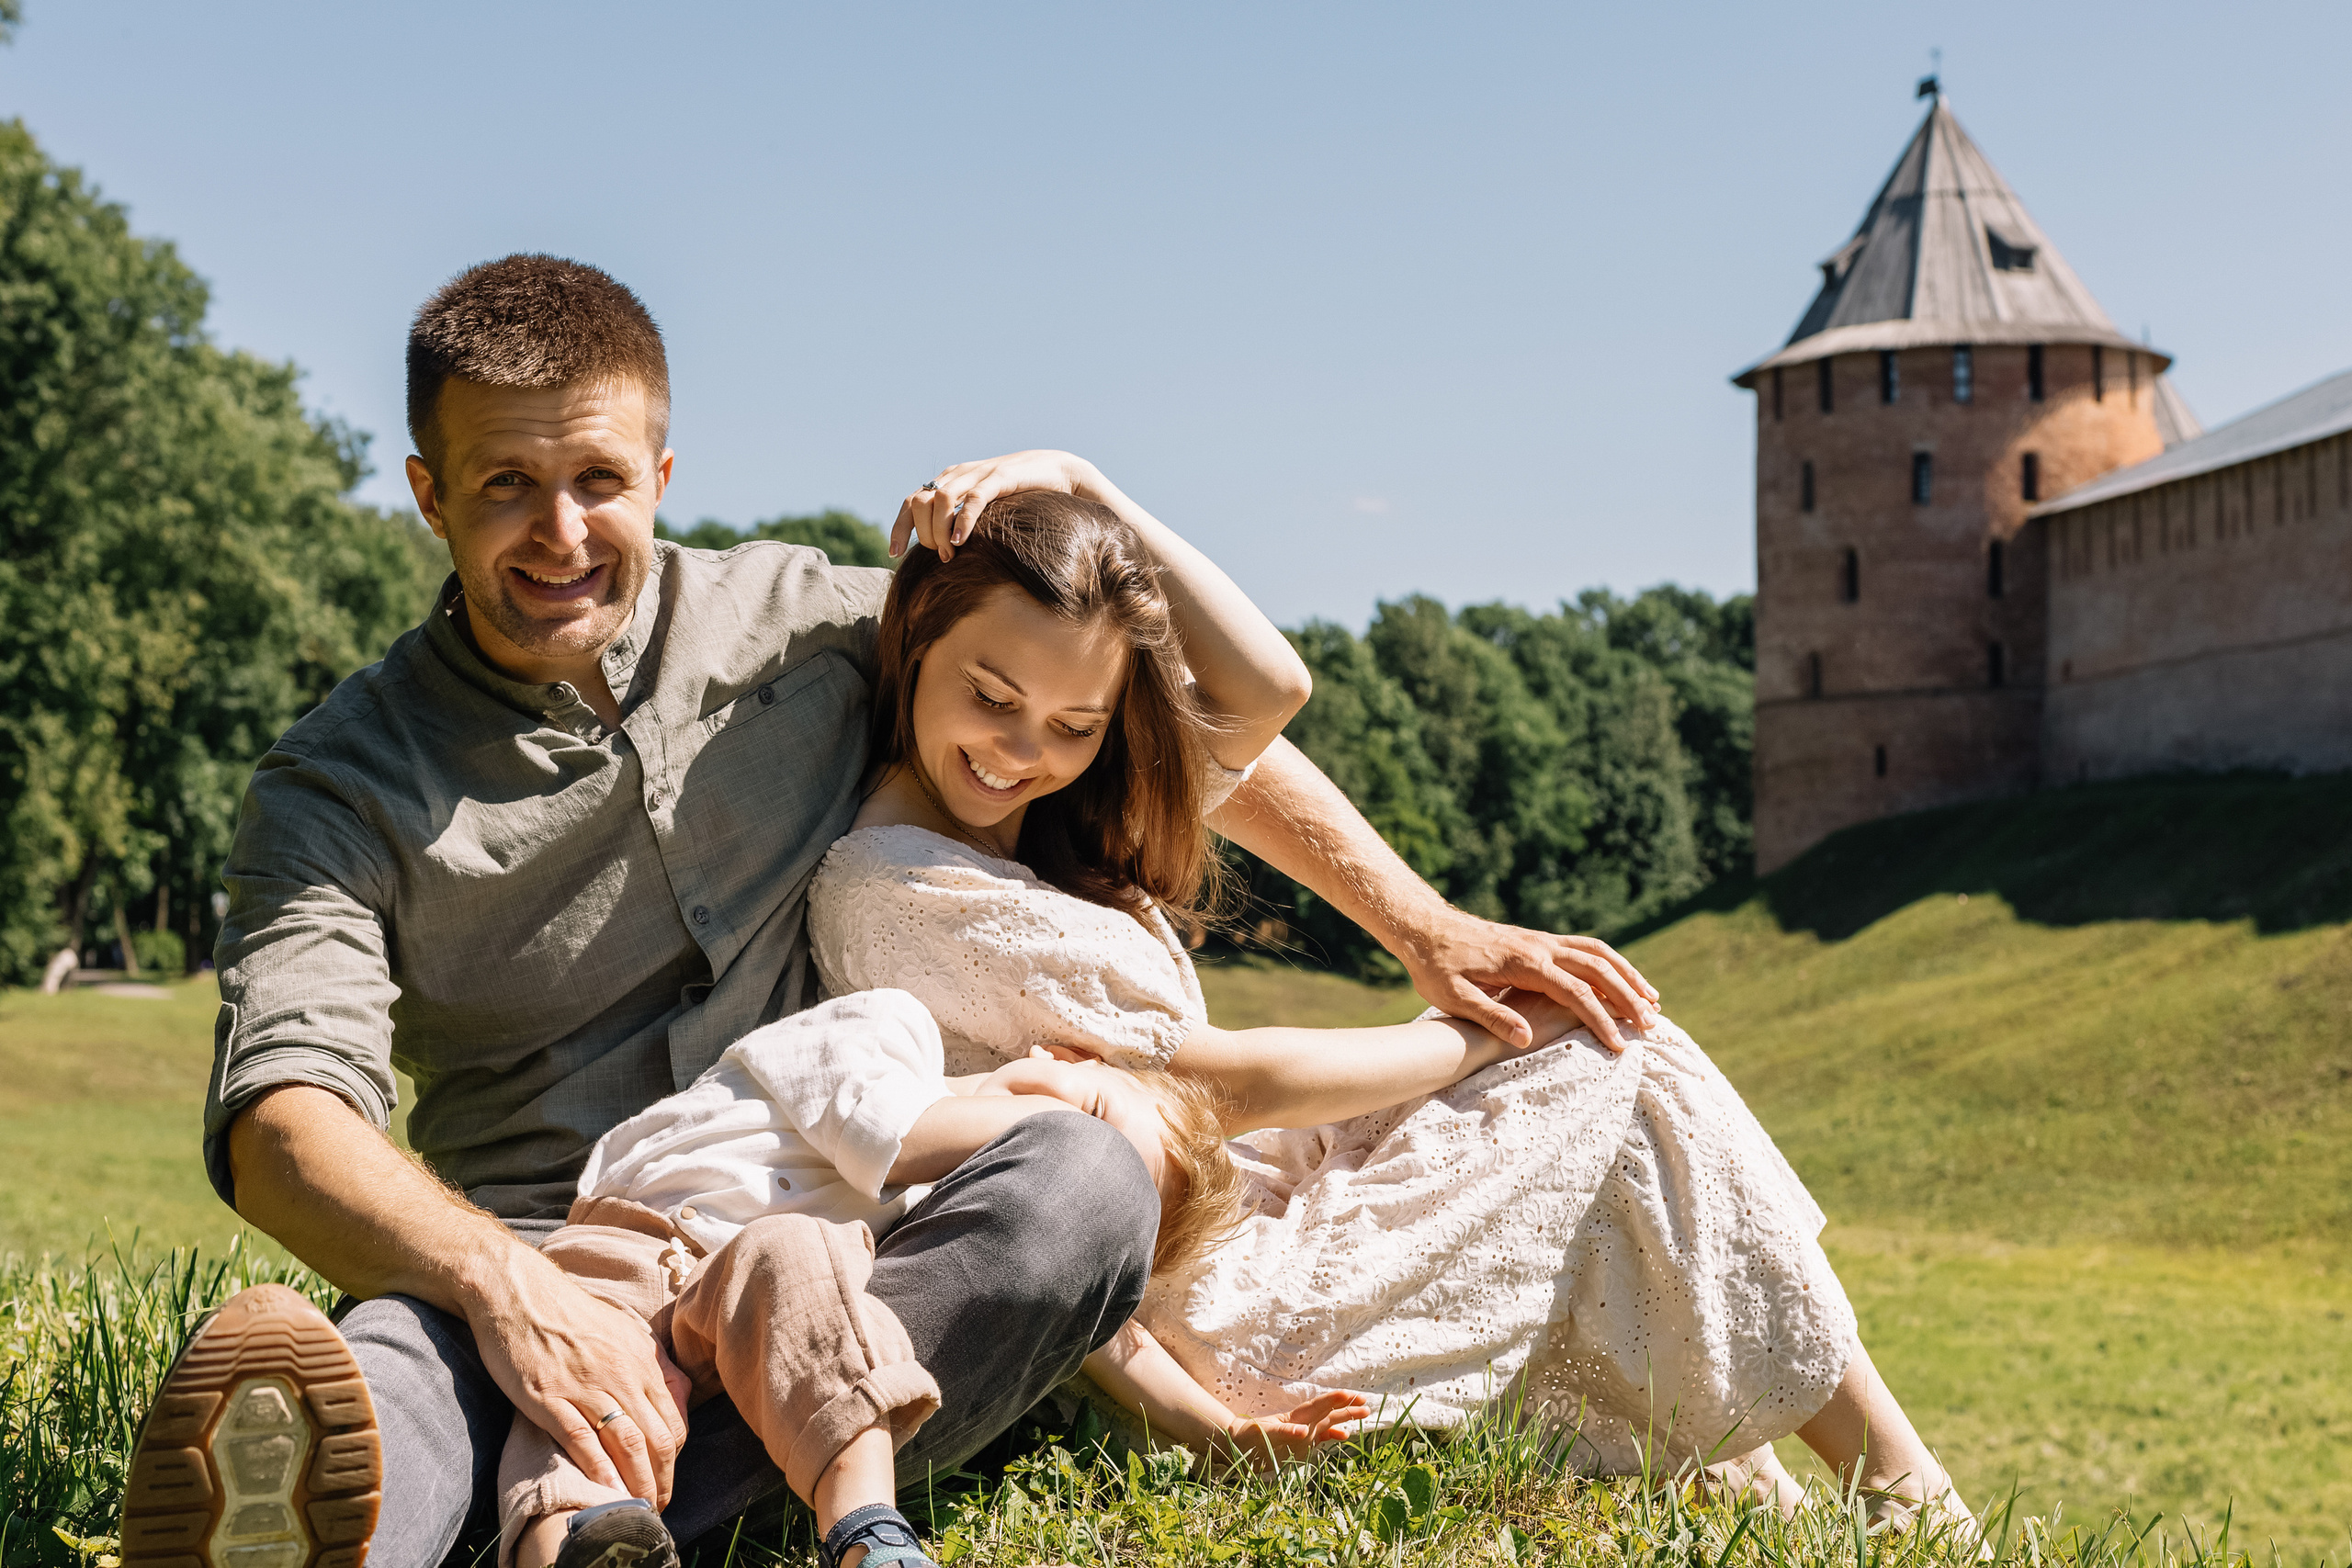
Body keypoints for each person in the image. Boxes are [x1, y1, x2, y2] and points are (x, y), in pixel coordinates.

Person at [124, 254, 1657, 1568]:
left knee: (1079, 1184)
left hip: (833, 1236)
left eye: (597, 478)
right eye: (505, 484)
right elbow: (285, 1124)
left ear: (661, 473)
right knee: (406, 1363)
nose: (560, 533)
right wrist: (511, 1289)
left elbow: (1125, 709)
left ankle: (580, 1504)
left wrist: (1424, 926)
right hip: (543, 1241)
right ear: (427, 492)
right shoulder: (341, 779)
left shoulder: (805, 626)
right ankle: (388, 1513)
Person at [808, 483, 1978, 1529]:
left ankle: (1872, 1486)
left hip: (1235, 1222)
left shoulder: (1021, 829)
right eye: (992, 695)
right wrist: (1465, 1035)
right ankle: (1907, 1492)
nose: (1021, 750)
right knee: (1619, 1060)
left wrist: (1082, 485)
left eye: (1075, 724)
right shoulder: (898, 882)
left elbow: (1272, 687)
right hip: (1195, 1307)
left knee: (1618, 1058)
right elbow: (1219, 1085)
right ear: (917, 639)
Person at [494, 988, 1354, 1568]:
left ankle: (868, 1532)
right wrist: (1061, 1133)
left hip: (755, 1315)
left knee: (802, 1257)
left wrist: (1224, 1433)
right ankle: (566, 1542)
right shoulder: (891, 1034)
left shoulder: (926, 1221)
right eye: (1088, 1116)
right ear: (1062, 1055)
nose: (1052, 1147)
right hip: (629, 1255)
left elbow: (1105, 1336)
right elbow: (892, 1135)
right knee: (581, 1412)